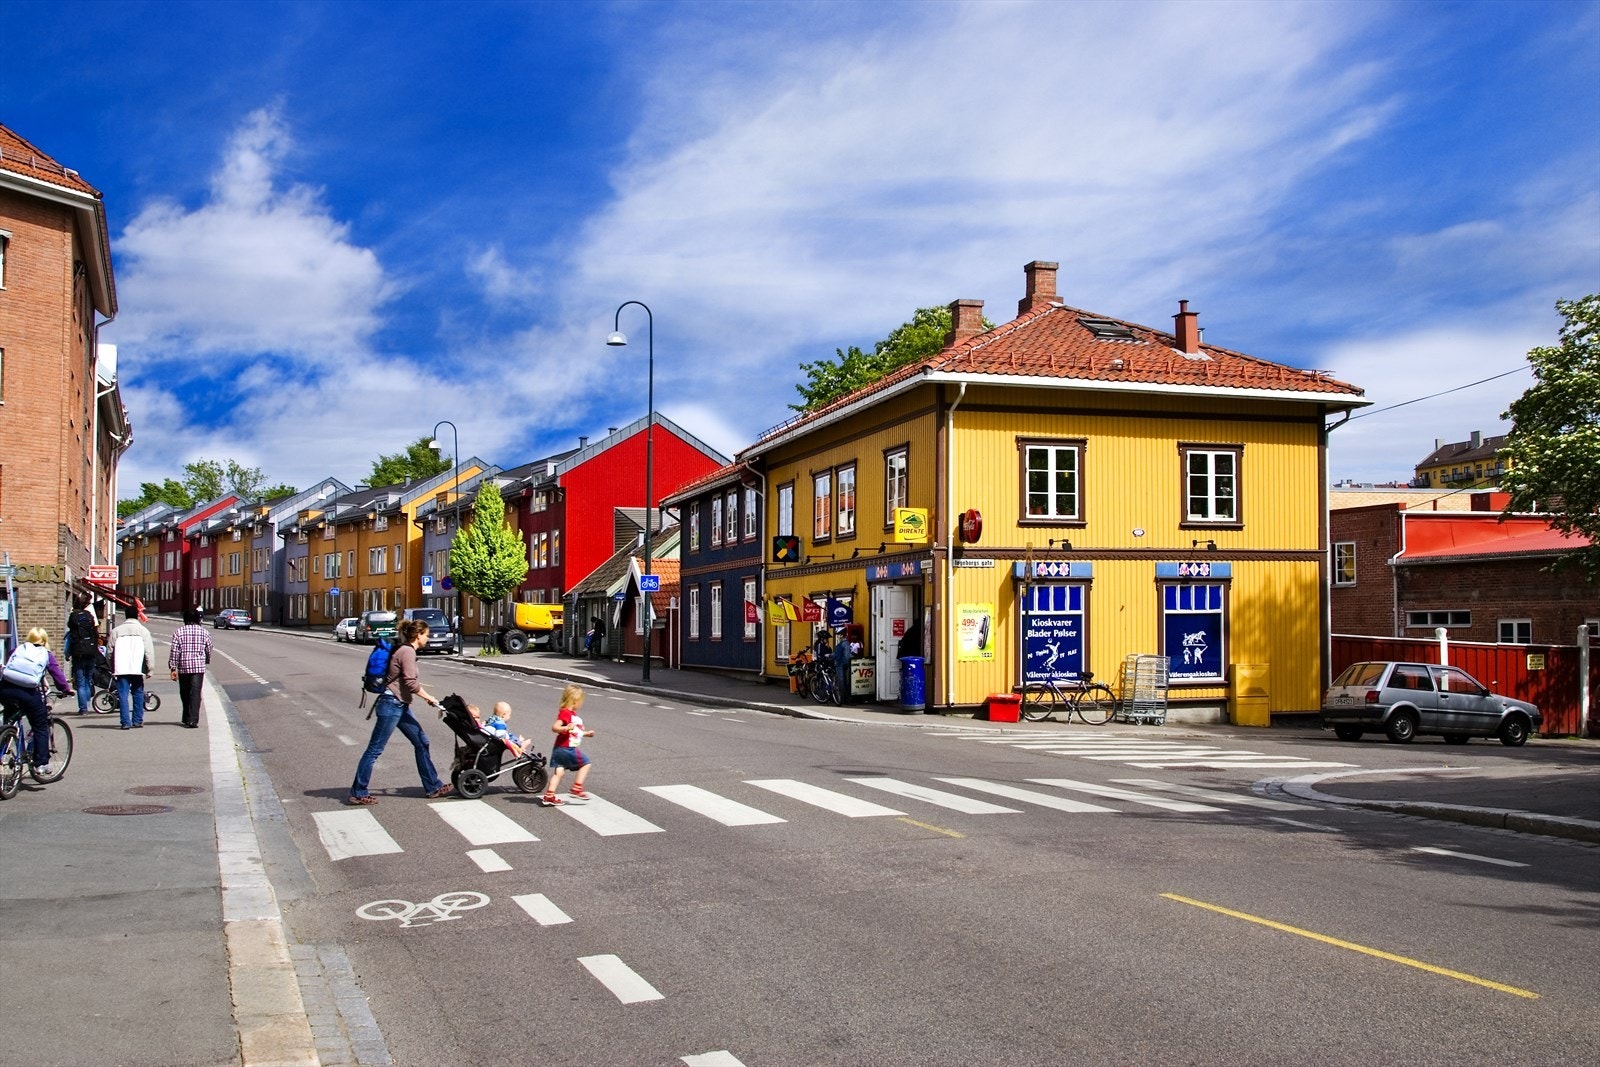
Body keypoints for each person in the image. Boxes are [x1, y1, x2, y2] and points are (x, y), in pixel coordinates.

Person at [347, 618, 451, 805]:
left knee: (421, 742)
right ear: (418, 635)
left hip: (399, 705)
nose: (428, 639)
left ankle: (433, 786)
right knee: (375, 750)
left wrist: (423, 697)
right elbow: (411, 682)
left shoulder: (405, 650)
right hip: (391, 704)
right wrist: (429, 697)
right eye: (426, 635)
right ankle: (358, 791)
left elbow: (406, 683)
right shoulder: (407, 652)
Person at [0, 628, 74, 777]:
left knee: (9, 719)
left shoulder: (18, 649)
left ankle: (6, 739)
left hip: (5, 689)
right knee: (40, 726)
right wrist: (66, 689)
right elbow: (57, 675)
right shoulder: (46, 654)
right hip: (28, 693)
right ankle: (41, 764)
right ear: (44, 641)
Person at [541, 683, 594, 807]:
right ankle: (577, 787)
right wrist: (565, 727)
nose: (581, 704)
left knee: (558, 772)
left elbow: (574, 732)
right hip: (567, 748)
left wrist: (586, 734)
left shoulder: (571, 715)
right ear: (575, 701)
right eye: (580, 701)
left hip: (559, 748)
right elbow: (555, 727)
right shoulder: (566, 713)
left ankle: (549, 796)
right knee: (586, 763)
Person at [108, 605, 155, 730]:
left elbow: (109, 651)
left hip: (121, 667)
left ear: (125, 615)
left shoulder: (116, 631)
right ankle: (137, 720)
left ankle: (125, 722)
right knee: (137, 692)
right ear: (137, 616)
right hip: (137, 667)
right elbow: (149, 651)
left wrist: (111, 666)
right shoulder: (143, 631)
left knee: (123, 694)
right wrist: (150, 668)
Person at [168, 607, 213, 729]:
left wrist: (173, 667)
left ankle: (186, 716)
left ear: (184, 619)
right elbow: (209, 648)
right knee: (196, 693)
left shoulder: (179, 632)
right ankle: (193, 720)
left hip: (183, 666)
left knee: (185, 692)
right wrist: (206, 659)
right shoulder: (204, 632)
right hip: (198, 668)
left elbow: (174, 651)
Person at [64, 594, 101, 715]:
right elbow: (95, 633)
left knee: (80, 681)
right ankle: (87, 703)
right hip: (90, 651)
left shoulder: (73, 616)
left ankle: (83, 708)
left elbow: (70, 634)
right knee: (88, 679)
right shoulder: (90, 616)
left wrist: (68, 653)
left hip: (78, 652)